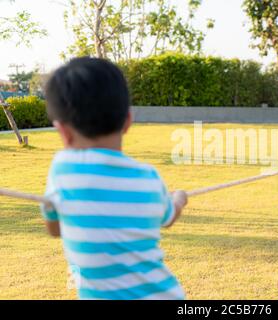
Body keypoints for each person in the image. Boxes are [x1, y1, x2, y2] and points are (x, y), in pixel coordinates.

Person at [40, 57, 188, 300]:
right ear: (128, 121)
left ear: (63, 132)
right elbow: (168, 218)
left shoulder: (63, 170)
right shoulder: (148, 178)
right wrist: (180, 199)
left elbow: (54, 230)